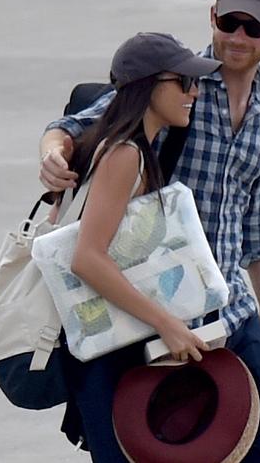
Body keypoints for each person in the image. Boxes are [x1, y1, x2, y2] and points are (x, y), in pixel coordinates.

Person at [42, 0, 260, 461]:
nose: (238, 37)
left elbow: (259, 219)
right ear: (212, 16)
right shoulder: (174, 81)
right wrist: (52, 154)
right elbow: (74, 128)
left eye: (253, 27)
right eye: (229, 22)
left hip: (231, 314)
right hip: (150, 328)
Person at [56, 31, 222, 462]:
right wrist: (166, 323)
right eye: (183, 82)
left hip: (115, 345)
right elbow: (88, 258)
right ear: (148, 86)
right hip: (107, 356)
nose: (194, 92)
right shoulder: (125, 153)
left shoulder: (136, 148)